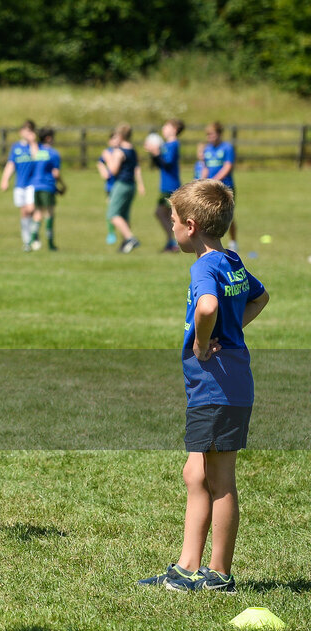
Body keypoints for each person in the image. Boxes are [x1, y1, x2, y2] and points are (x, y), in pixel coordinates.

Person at [138, 179, 268, 593]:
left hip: (219, 388)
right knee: (195, 472)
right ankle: (186, 567)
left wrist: (202, 339)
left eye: (173, 221)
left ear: (190, 226)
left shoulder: (205, 267)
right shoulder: (230, 260)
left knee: (219, 479)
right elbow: (260, 298)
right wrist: (230, 332)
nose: (170, 226)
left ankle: (218, 575)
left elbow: (208, 305)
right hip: (215, 388)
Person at [101, 122, 146, 253]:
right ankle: (125, 244)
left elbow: (113, 171)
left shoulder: (118, 152)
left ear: (120, 135)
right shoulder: (132, 150)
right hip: (131, 185)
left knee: (113, 214)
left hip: (121, 185)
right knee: (124, 215)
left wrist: (108, 158)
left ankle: (131, 238)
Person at [0, 120, 38, 252]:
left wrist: (33, 142)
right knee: (24, 212)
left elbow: (36, 157)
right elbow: (11, 164)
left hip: (32, 183)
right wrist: (5, 179)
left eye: (30, 130)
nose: (27, 133)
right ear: (21, 132)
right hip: (20, 184)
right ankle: (27, 240)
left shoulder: (35, 146)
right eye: (25, 130)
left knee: (31, 209)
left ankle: (34, 234)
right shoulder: (16, 147)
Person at [146, 120, 185, 253]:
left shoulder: (173, 144)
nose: (163, 128)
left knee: (160, 213)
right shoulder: (167, 145)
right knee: (167, 215)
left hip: (171, 186)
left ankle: (173, 241)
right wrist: (153, 153)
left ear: (174, 129)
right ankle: (172, 242)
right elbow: (160, 164)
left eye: (166, 126)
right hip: (166, 186)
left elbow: (167, 164)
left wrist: (156, 153)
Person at [201, 122, 238, 250]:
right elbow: (205, 167)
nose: (209, 137)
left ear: (219, 134)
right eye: (207, 135)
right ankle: (213, 243)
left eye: (211, 134)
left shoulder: (227, 148)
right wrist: (201, 181)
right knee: (211, 215)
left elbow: (228, 166)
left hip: (225, 187)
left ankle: (233, 242)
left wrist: (215, 180)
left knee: (227, 215)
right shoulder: (207, 149)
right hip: (211, 187)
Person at [29, 128, 65, 251]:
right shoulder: (53, 153)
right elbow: (56, 173)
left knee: (38, 213)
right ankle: (50, 244)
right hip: (47, 186)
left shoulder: (37, 151)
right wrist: (63, 185)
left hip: (36, 185)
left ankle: (31, 241)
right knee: (49, 214)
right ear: (49, 138)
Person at [97, 131, 120, 245]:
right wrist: (104, 171)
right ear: (109, 141)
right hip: (110, 186)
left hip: (120, 185)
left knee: (120, 210)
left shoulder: (121, 152)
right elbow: (100, 162)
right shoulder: (107, 152)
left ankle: (123, 233)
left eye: (117, 139)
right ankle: (111, 233)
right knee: (111, 208)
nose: (115, 141)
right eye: (113, 139)